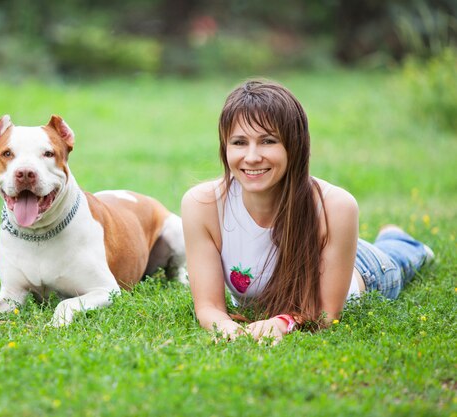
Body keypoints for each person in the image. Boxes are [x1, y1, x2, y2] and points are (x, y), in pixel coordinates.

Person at [181, 79, 434, 343]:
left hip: (366, 269)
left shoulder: (336, 206)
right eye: (239, 142)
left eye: (268, 141)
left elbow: (325, 313)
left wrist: (282, 322)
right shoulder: (203, 206)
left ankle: (398, 238)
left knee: (405, 254)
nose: (252, 156)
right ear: (225, 147)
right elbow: (208, 307)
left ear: (295, 144)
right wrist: (227, 329)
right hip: (332, 252)